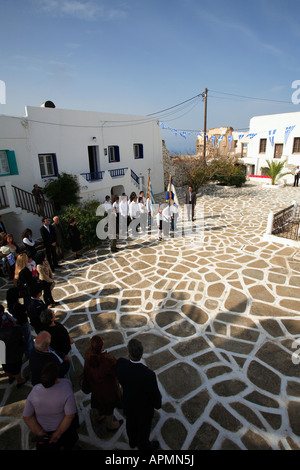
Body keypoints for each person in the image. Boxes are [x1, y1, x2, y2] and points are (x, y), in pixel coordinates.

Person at [116, 338, 162, 450]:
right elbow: (154, 394)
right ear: (141, 354)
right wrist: (157, 404)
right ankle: (144, 446)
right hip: (143, 410)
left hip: (129, 403)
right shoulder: (148, 375)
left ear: (128, 354)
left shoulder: (121, 364)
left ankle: (132, 442)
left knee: (130, 423)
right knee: (144, 430)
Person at [23, 362, 79, 450]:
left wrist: (40, 432)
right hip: (64, 429)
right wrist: (58, 433)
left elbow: (27, 417)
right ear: (56, 377)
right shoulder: (66, 387)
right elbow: (70, 415)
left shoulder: (35, 391)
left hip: (44, 430)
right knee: (70, 444)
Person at [83, 335, 122, 431]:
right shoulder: (108, 360)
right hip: (108, 391)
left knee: (98, 401)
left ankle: (100, 416)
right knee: (109, 409)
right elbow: (116, 372)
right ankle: (110, 424)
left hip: (95, 388)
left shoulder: (88, 356)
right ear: (102, 346)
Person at [0, 315, 27, 387]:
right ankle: (20, 381)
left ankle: (11, 377)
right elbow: (20, 333)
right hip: (13, 353)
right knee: (16, 368)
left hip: (2, 354)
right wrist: (16, 325)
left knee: (6, 366)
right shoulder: (11, 330)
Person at [6, 287, 34, 357]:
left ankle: (29, 350)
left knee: (25, 337)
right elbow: (27, 309)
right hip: (23, 322)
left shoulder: (10, 305)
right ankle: (30, 352)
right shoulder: (18, 306)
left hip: (19, 323)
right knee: (27, 337)